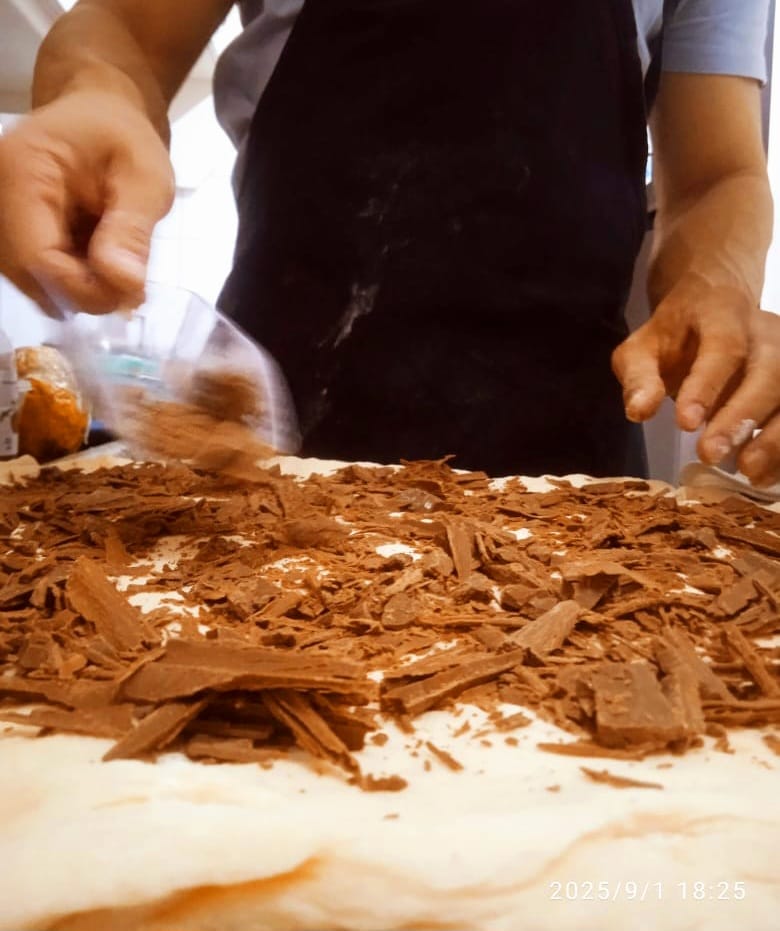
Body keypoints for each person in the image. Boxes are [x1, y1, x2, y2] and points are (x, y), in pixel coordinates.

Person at [0, 0, 778, 484]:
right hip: (272, 444)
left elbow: (718, 174)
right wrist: (94, 94)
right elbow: (123, 29)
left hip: (568, 471)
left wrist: (720, 283)